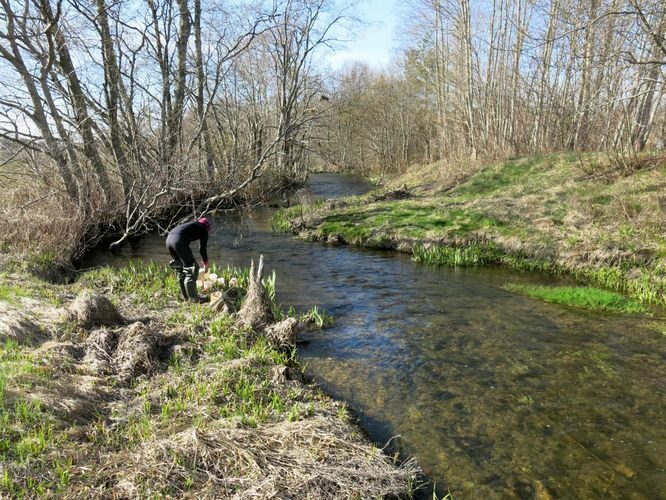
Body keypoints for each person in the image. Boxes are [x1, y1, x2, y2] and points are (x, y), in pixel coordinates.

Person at [166, 217, 212, 302]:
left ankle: (185, 296)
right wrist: (205, 264)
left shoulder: (191, 225)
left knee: (180, 268)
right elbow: (202, 249)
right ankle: (194, 298)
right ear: (207, 228)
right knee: (192, 269)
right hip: (178, 241)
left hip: (169, 239)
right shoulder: (203, 229)